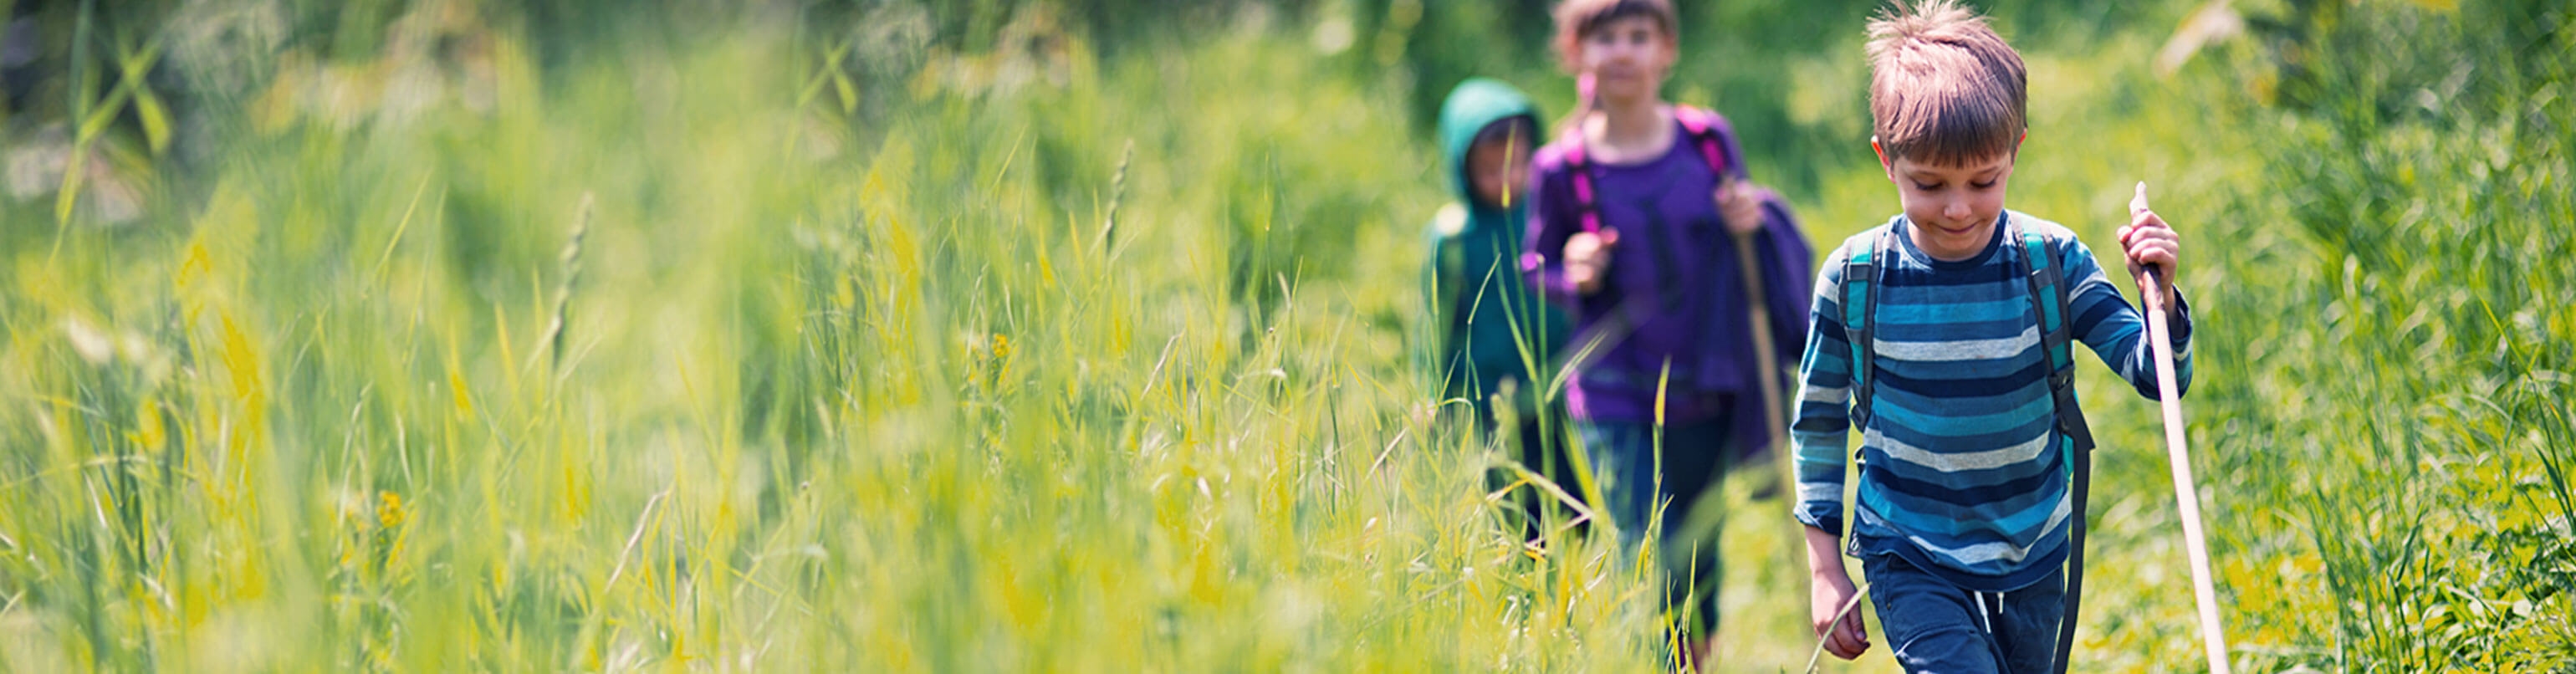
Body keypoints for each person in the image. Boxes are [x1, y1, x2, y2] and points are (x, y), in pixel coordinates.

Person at [1794, 2, 2194, 671]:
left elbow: (2159, 376)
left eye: (1983, 181)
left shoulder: (2050, 261)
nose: (1957, 208)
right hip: (1908, 545)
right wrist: (1824, 565)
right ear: (1885, 159)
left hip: (2032, 543)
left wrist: (2161, 295)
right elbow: (1818, 421)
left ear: (2015, 152)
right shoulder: (1856, 278)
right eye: (1929, 184)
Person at [1517, 0, 1815, 663]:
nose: (1622, 51)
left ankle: (1693, 658)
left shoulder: (1707, 140)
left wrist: (1750, 218)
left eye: (1638, 36)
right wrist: (1573, 270)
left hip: (1706, 381)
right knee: (1644, 547)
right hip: (1613, 390)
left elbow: (1748, 233)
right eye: (1604, 37)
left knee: (1700, 551)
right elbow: (1536, 265)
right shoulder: (1560, 167)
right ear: (1576, 53)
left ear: (1665, 51)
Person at [1422, 77, 1574, 541]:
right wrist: (1434, 394)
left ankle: (1577, 597)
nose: (1506, 180)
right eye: (1488, 170)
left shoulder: (1550, 213)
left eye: (1517, 165)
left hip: (1562, 387)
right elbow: (1434, 323)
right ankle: (1529, 597)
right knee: (1514, 516)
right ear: (1462, 171)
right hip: (1490, 402)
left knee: (1575, 506)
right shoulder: (1453, 238)